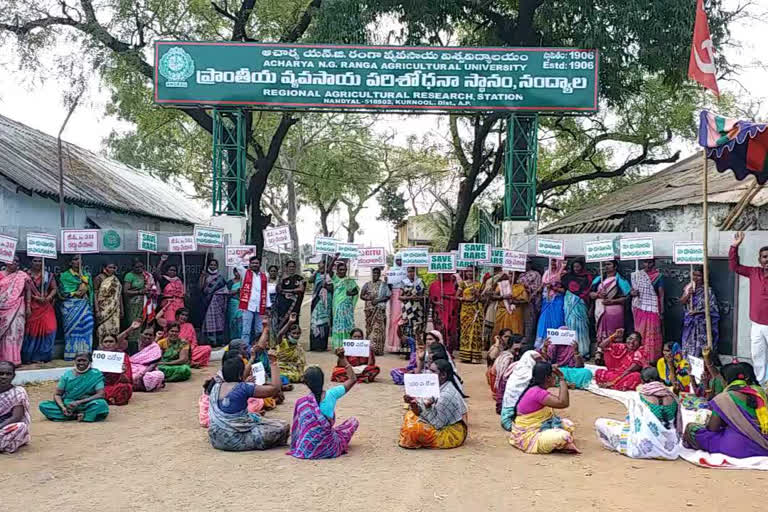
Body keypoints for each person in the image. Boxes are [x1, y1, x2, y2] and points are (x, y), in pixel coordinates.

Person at [595, 367, 682, 460]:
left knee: (600, 423)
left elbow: (632, 422)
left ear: (643, 381)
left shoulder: (639, 397)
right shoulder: (672, 397)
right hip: (671, 449)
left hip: (643, 447)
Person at [684, 362, 768, 458]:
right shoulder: (760, 393)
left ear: (725, 381)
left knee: (692, 428)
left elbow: (713, 428)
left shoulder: (723, 398)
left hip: (736, 447)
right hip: (763, 446)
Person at [208, 354, 290, 451]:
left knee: (255, 417)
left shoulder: (216, 387)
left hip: (215, 439)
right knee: (282, 427)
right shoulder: (243, 387)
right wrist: (273, 363)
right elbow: (275, 389)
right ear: (240, 374)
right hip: (235, 440)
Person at [288, 365, 360, 459]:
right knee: (352, 422)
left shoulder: (301, 403)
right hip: (329, 448)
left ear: (306, 383)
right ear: (322, 380)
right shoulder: (332, 394)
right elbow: (353, 379)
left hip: (306, 449)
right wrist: (345, 362)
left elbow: (298, 428)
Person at [508, 362, 578, 454]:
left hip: (537, 428)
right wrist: (561, 379)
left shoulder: (536, 389)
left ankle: (554, 442)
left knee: (568, 425)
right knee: (564, 436)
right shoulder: (538, 393)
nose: (554, 377)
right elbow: (563, 403)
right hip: (528, 436)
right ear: (547, 378)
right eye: (553, 375)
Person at [399, 358, 469, 449]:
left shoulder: (446, 395)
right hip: (439, 422)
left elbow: (437, 424)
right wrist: (414, 404)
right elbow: (427, 404)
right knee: (410, 415)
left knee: (413, 429)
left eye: (432, 371)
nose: (428, 373)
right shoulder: (440, 386)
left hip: (451, 433)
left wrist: (419, 410)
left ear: (443, 375)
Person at [730, 232, 768, 385]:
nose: (767, 259)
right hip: (757, 325)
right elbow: (734, 266)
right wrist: (735, 246)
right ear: (760, 260)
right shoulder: (754, 272)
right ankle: (762, 383)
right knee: (758, 356)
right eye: (764, 256)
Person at [39, 352, 109, 422]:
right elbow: (57, 394)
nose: (81, 363)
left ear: (90, 362)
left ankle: (81, 414)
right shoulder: (67, 375)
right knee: (44, 405)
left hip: (87, 403)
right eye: (79, 360)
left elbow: (100, 394)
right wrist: (63, 407)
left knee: (101, 404)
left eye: (84, 360)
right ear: (75, 361)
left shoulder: (95, 375)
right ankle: (76, 415)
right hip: (68, 405)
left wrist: (79, 402)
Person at [58, 255, 94, 360]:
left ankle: (85, 354)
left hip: (84, 305)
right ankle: (72, 354)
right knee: (73, 331)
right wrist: (75, 292)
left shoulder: (86, 275)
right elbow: (63, 293)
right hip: (70, 306)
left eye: (80, 259)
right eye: (75, 259)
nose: (78, 262)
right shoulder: (64, 276)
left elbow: (90, 291)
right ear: (70, 262)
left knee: (88, 325)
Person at [22, 257, 57, 364]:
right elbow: (23, 290)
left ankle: (43, 356)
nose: (37, 263)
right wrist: (35, 299)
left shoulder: (48, 275)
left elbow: (54, 288)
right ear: (31, 262)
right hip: (32, 306)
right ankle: (30, 357)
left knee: (50, 328)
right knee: (32, 331)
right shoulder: (25, 275)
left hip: (46, 306)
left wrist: (49, 298)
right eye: (35, 261)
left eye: (39, 261)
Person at [680, 266, 720, 357]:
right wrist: (688, 294)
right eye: (694, 275)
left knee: (701, 349)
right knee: (688, 346)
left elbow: (713, 308)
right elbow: (682, 301)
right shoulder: (688, 287)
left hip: (702, 325)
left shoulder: (708, 291)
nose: (696, 278)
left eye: (699, 276)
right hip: (690, 323)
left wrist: (698, 312)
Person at [630, 259, 664, 362]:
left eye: (650, 262)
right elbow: (631, 291)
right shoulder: (637, 275)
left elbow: (661, 294)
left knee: (651, 333)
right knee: (639, 333)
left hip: (653, 309)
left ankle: (651, 358)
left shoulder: (658, 276)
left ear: (654, 263)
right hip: (639, 308)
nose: (647, 265)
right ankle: (637, 357)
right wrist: (633, 293)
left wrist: (661, 311)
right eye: (645, 262)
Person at [500, 349, 543, 430]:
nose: (539, 363)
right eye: (537, 360)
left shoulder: (516, 372)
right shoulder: (529, 376)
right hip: (513, 417)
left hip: (507, 416)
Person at [0, 255, 31, 366]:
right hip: (2, 309)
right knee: (3, 335)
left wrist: (28, 307)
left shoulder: (22, 275)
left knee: (15, 333)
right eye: (13, 260)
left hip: (17, 307)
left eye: (17, 261)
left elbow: (28, 291)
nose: (15, 263)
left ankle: (13, 360)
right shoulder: (0, 274)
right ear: (6, 262)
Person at [591, 259, 630, 347]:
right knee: (601, 332)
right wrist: (598, 294)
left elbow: (627, 297)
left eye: (609, 264)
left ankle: (616, 350)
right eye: (605, 265)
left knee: (615, 332)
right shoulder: (599, 279)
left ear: (615, 266)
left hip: (615, 310)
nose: (606, 267)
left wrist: (612, 301)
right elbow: (590, 294)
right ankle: (601, 351)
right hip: (600, 308)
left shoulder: (621, 280)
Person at [235, 254, 272, 346]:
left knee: (259, 330)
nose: (255, 265)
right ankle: (244, 349)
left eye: (257, 263)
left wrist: (268, 306)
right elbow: (237, 264)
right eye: (253, 263)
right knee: (246, 330)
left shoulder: (264, 276)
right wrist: (243, 255)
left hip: (260, 307)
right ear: (250, 264)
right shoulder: (245, 273)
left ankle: (258, 348)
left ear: (260, 265)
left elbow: (266, 291)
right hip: (248, 306)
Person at [123, 258, 156, 352]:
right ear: (133, 267)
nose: (139, 269)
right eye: (137, 267)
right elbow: (125, 291)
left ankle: (143, 348)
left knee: (144, 324)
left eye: (141, 267)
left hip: (145, 303)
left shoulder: (145, 275)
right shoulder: (129, 276)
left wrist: (149, 292)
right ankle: (133, 350)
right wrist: (139, 292)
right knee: (134, 325)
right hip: (133, 303)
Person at [561, 258, 592, 357]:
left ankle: (583, 350)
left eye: (578, 266)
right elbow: (561, 283)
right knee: (570, 324)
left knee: (581, 326)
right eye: (574, 267)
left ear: (582, 267)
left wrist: (582, 296)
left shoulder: (587, 277)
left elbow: (589, 289)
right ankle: (570, 351)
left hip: (580, 302)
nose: (576, 269)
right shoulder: (568, 276)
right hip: (569, 301)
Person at [0, 361, 30, 453]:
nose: (4, 377)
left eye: (8, 374)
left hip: (5, 426)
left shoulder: (18, 392)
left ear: (13, 376)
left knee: (20, 427)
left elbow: (16, 417)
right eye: (1, 373)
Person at [535, 259, 566, 348]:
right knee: (543, 321)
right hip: (546, 300)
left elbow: (565, 290)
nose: (552, 263)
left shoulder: (563, 273)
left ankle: (556, 345)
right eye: (551, 261)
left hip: (557, 300)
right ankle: (541, 345)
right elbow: (543, 285)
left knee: (557, 321)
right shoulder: (546, 273)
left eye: (555, 261)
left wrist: (553, 288)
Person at [360, 267, 391, 355]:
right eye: (374, 273)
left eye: (377, 273)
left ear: (380, 274)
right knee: (369, 329)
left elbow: (388, 296)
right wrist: (369, 298)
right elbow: (361, 296)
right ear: (372, 274)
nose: (376, 275)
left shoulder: (383, 284)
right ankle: (369, 350)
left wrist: (378, 300)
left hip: (379, 310)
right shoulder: (367, 284)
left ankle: (377, 350)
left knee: (378, 329)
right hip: (369, 311)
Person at [309, 256, 337, 352]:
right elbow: (310, 280)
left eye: (323, 264)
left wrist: (326, 286)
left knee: (324, 322)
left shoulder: (330, 275)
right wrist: (316, 272)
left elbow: (333, 289)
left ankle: (322, 345)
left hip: (325, 303)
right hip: (316, 301)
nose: (321, 265)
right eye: (320, 264)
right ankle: (314, 345)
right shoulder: (316, 275)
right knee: (314, 322)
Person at [199, 258, 228, 347]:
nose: (212, 266)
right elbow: (200, 288)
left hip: (218, 302)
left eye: (214, 265)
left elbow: (225, 290)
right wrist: (202, 277)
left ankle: (219, 340)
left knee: (219, 321)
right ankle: (211, 341)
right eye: (211, 265)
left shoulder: (220, 277)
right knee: (209, 321)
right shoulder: (205, 276)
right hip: (208, 301)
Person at [428, 273, 459, 354]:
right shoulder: (434, 285)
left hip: (450, 312)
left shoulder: (453, 284)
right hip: (439, 312)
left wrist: (447, 298)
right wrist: (437, 302)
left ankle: (448, 351)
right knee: (439, 329)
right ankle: (438, 349)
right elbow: (431, 299)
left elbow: (457, 298)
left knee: (450, 330)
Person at [331, 261, 359, 350]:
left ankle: (348, 344)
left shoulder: (349, 280)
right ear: (337, 270)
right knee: (339, 324)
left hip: (347, 307)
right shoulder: (335, 279)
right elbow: (328, 270)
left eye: (344, 269)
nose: (342, 271)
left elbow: (356, 290)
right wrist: (334, 258)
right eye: (341, 269)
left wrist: (351, 293)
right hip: (338, 306)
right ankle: (338, 345)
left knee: (347, 324)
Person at [457, 269, 484, 364]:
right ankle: (465, 356)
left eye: (471, 271)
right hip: (466, 311)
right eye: (467, 271)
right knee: (466, 331)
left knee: (476, 332)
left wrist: (477, 294)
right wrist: (465, 299)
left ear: (476, 273)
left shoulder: (479, 284)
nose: (469, 273)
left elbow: (483, 299)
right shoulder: (463, 284)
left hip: (476, 310)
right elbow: (457, 296)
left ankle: (475, 356)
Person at [99, 334, 133, 406]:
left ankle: (106, 398)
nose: (108, 344)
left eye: (111, 342)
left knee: (126, 387)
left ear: (116, 344)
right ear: (101, 344)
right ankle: (110, 398)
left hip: (116, 386)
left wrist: (122, 372)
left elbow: (128, 380)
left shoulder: (123, 356)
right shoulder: (98, 357)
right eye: (106, 342)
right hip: (101, 386)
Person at [486, 329, 522, 396]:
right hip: (496, 380)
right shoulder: (506, 355)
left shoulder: (509, 351)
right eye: (506, 337)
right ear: (500, 337)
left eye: (509, 337)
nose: (508, 339)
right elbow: (492, 357)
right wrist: (497, 342)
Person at [493, 272, 529, 338]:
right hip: (502, 311)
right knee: (500, 332)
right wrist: (503, 297)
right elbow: (493, 296)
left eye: (514, 274)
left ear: (517, 276)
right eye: (510, 274)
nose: (511, 276)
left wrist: (514, 301)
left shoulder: (520, 287)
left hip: (515, 312)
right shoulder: (502, 285)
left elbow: (525, 300)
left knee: (514, 331)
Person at [94, 262, 123, 343]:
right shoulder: (99, 278)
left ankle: (112, 348)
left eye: (114, 267)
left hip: (115, 309)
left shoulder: (116, 279)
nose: (112, 269)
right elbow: (95, 294)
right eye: (110, 267)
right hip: (103, 309)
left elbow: (119, 295)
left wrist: (122, 309)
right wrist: (97, 310)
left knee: (114, 330)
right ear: (104, 268)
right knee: (102, 330)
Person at [130, 325, 165, 392]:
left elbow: (152, 365)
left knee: (159, 375)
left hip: (145, 371)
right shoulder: (133, 344)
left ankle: (135, 386)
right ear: (141, 335)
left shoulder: (155, 348)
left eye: (150, 335)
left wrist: (141, 375)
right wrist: (130, 329)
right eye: (146, 334)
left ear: (153, 337)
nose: (148, 336)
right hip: (131, 369)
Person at [276, 312, 305, 383]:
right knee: (282, 375)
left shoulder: (299, 347)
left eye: (298, 333)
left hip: (293, 369)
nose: (296, 335)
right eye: (294, 333)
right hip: (281, 368)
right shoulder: (283, 342)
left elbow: (301, 364)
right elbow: (279, 335)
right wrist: (290, 322)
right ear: (289, 334)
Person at [519, 261, 542, 347]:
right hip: (520, 303)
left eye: (526, 263)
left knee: (530, 323)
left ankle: (528, 343)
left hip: (531, 302)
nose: (525, 265)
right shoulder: (521, 275)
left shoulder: (535, 274)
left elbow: (538, 288)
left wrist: (527, 290)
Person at [156, 255, 185, 324]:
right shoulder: (163, 279)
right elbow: (157, 272)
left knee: (180, 321)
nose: (173, 272)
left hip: (179, 303)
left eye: (174, 270)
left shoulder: (179, 280)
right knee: (170, 321)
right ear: (167, 271)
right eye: (171, 270)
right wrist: (162, 261)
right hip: (168, 304)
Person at [400, 266, 426, 344]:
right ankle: (407, 350)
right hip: (407, 309)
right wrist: (409, 297)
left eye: (413, 271)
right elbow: (400, 296)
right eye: (409, 272)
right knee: (406, 327)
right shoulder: (404, 282)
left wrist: (419, 297)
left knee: (417, 328)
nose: (411, 273)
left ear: (415, 272)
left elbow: (426, 295)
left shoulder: (420, 281)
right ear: (407, 273)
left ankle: (418, 348)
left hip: (418, 309)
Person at [385, 254, 405, 353]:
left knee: (403, 318)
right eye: (397, 260)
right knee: (394, 319)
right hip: (394, 295)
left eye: (401, 260)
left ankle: (403, 344)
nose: (399, 262)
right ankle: (393, 345)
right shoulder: (392, 271)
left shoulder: (406, 270)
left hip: (405, 295)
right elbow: (389, 285)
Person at [481, 267, 504, 349]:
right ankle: (488, 344)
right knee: (489, 324)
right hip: (491, 304)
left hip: (501, 305)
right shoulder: (490, 278)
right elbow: (485, 293)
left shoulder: (504, 276)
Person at [227, 268, 243, 340]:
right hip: (233, 303)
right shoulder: (230, 282)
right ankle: (232, 339)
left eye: (239, 272)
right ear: (234, 272)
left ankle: (240, 339)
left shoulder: (245, 281)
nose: (237, 273)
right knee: (232, 321)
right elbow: (227, 292)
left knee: (241, 321)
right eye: (236, 272)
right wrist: (236, 291)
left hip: (242, 304)